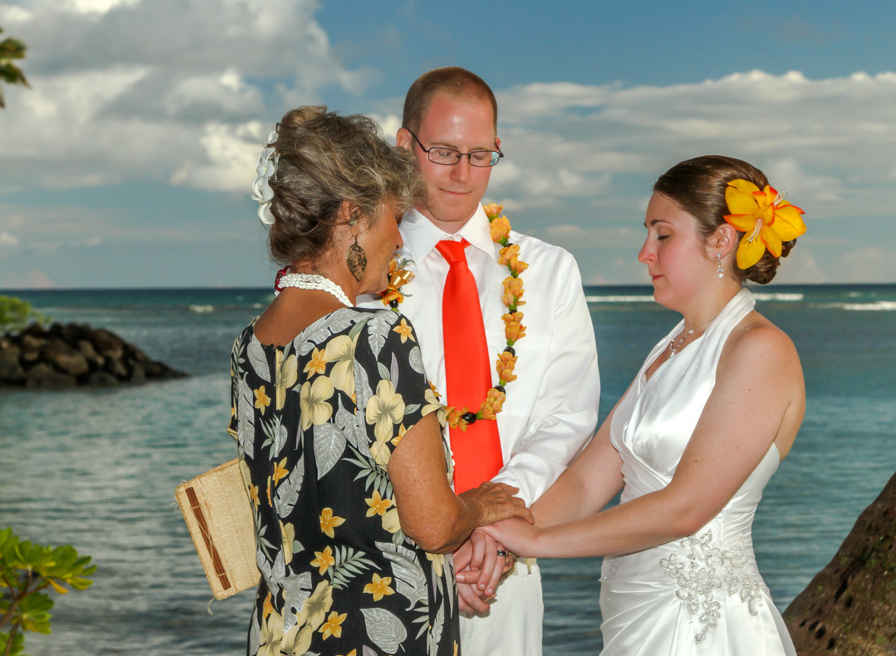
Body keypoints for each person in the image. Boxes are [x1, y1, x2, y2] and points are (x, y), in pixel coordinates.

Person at [227, 106, 533, 656]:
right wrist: (482, 506)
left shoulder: (250, 344)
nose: (398, 236)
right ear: (352, 217)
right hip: (373, 637)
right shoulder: (375, 337)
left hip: (280, 635)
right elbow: (435, 526)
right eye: (393, 215)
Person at [484, 155, 808, 655]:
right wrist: (506, 535)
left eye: (662, 235)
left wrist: (537, 545)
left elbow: (687, 507)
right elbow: (587, 479)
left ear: (721, 240)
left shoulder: (759, 350)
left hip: (704, 629)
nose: (644, 254)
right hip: (634, 619)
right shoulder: (669, 348)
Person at [359, 67, 600, 656]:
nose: (463, 174)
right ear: (403, 145)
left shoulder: (549, 272)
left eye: (481, 155)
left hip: (503, 563)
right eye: (443, 152)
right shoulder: (361, 274)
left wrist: (490, 526)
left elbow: (567, 416)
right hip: (387, 562)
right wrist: (437, 532)